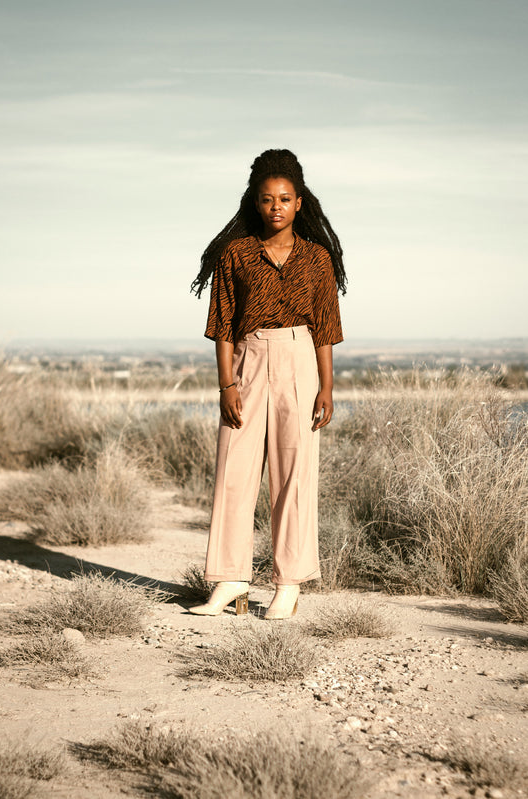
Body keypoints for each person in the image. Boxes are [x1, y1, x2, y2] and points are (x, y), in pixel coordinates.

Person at [189, 148, 346, 619]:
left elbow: (325, 327)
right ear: (254, 202)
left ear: (300, 202)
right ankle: (230, 579)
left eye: (284, 198)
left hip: (300, 359)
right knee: (235, 470)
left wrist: (327, 387)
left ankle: (289, 583)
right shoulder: (234, 254)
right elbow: (221, 324)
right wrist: (226, 386)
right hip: (248, 361)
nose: (275, 206)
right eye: (266, 199)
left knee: (294, 476)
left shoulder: (317, 260)